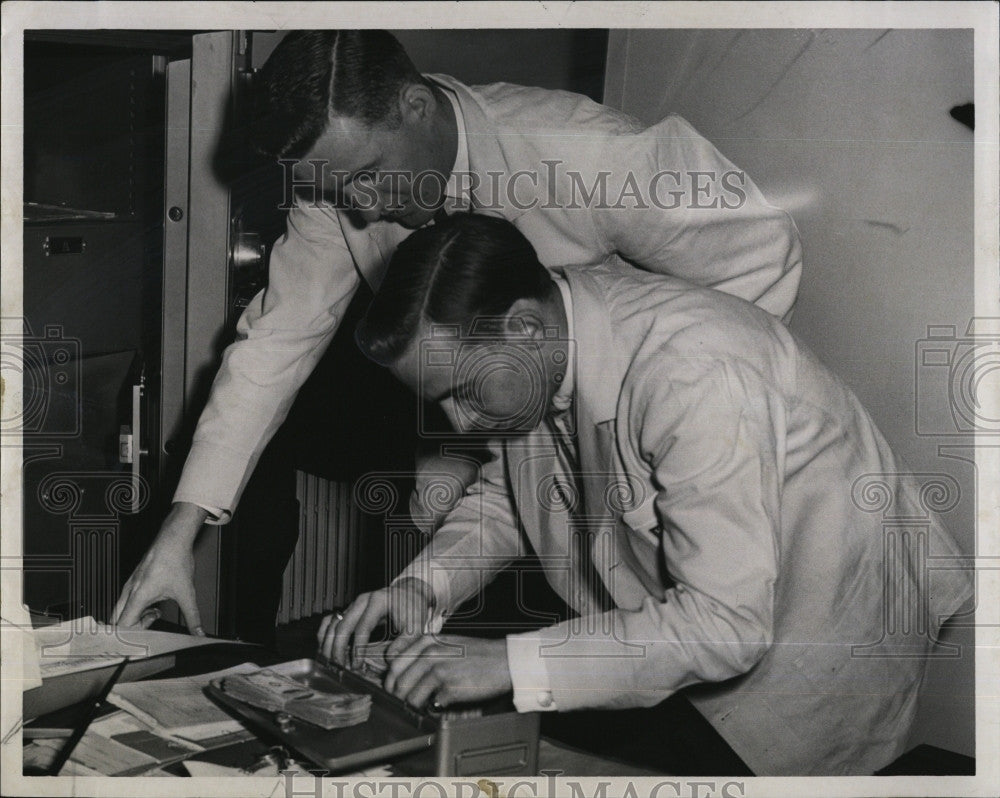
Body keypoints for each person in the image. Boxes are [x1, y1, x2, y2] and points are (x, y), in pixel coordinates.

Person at [113, 29, 802, 632]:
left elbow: (761, 253)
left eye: (369, 177)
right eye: (332, 190)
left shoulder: (589, 155)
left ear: (415, 105)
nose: (359, 208)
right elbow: (273, 345)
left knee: (648, 641)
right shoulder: (338, 188)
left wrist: (657, 428)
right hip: (478, 430)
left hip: (625, 438)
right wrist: (179, 531)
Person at [324, 214, 973, 776]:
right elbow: (510, 495)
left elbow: (724, 626)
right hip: (703, 619)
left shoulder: (693, 373)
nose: (458, 425)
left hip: (823, 634)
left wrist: (506, 665)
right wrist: (423, 586)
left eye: (462, 395)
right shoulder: (544, 342)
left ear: (524, 329)